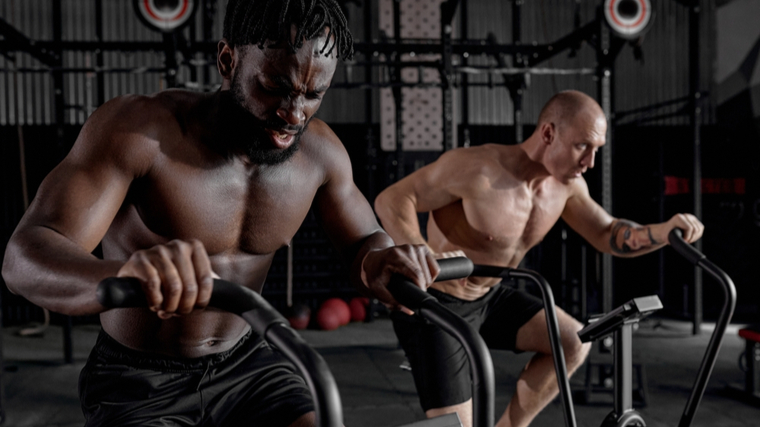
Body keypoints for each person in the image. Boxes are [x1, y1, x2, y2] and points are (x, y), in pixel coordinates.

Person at [1, 1, 439, 426]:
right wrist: (122, 276)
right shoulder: (139, 133)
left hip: (248, 363)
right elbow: (24, 258)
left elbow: (365, 241)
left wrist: (384, 258)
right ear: (228, 60)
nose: (293, 114)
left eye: (312, 94)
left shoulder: (321, 155)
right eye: (274, 87)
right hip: (139, 380)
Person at [374, 90, 704, 427]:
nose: (589, 162)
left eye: (596, 151)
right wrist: (419, 252)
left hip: (490, 297)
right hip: (439, 304)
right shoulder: (476, 168)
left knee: (573, 341)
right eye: (582, 146)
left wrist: (663, 232)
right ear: (548, 133)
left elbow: (608, 233)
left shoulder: (567, 187)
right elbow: (393, 198)